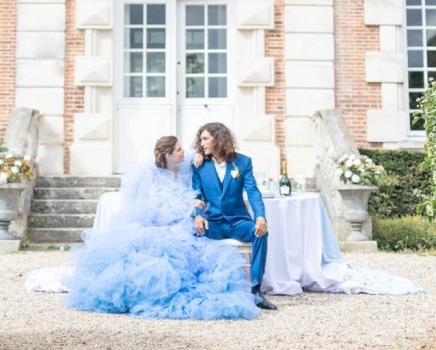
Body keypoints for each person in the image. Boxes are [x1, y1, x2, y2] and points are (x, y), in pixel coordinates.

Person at [62, 136, 261, 320]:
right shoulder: (152, 175)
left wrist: (199, 154)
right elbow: (151, 207)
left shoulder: (186, 166)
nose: (184, 152)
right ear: (168, 155)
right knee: (170, 247)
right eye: (179, 150)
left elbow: (197, 157)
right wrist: (187, 204)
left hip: (187, 220)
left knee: (199, 244)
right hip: (163, 222)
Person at [191, 122, 277, 310]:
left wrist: (260, 217)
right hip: (212, 223)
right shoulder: (199, 164)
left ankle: (255, 291)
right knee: (193, 234)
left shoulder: (243, 162)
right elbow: (195, 195)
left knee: (260, 232)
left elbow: (253, 192)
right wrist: (197, 215)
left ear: (218, 138)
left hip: (238, 221)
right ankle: (199, 287)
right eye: (201, 139)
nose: (201, 142)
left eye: (205, 138)